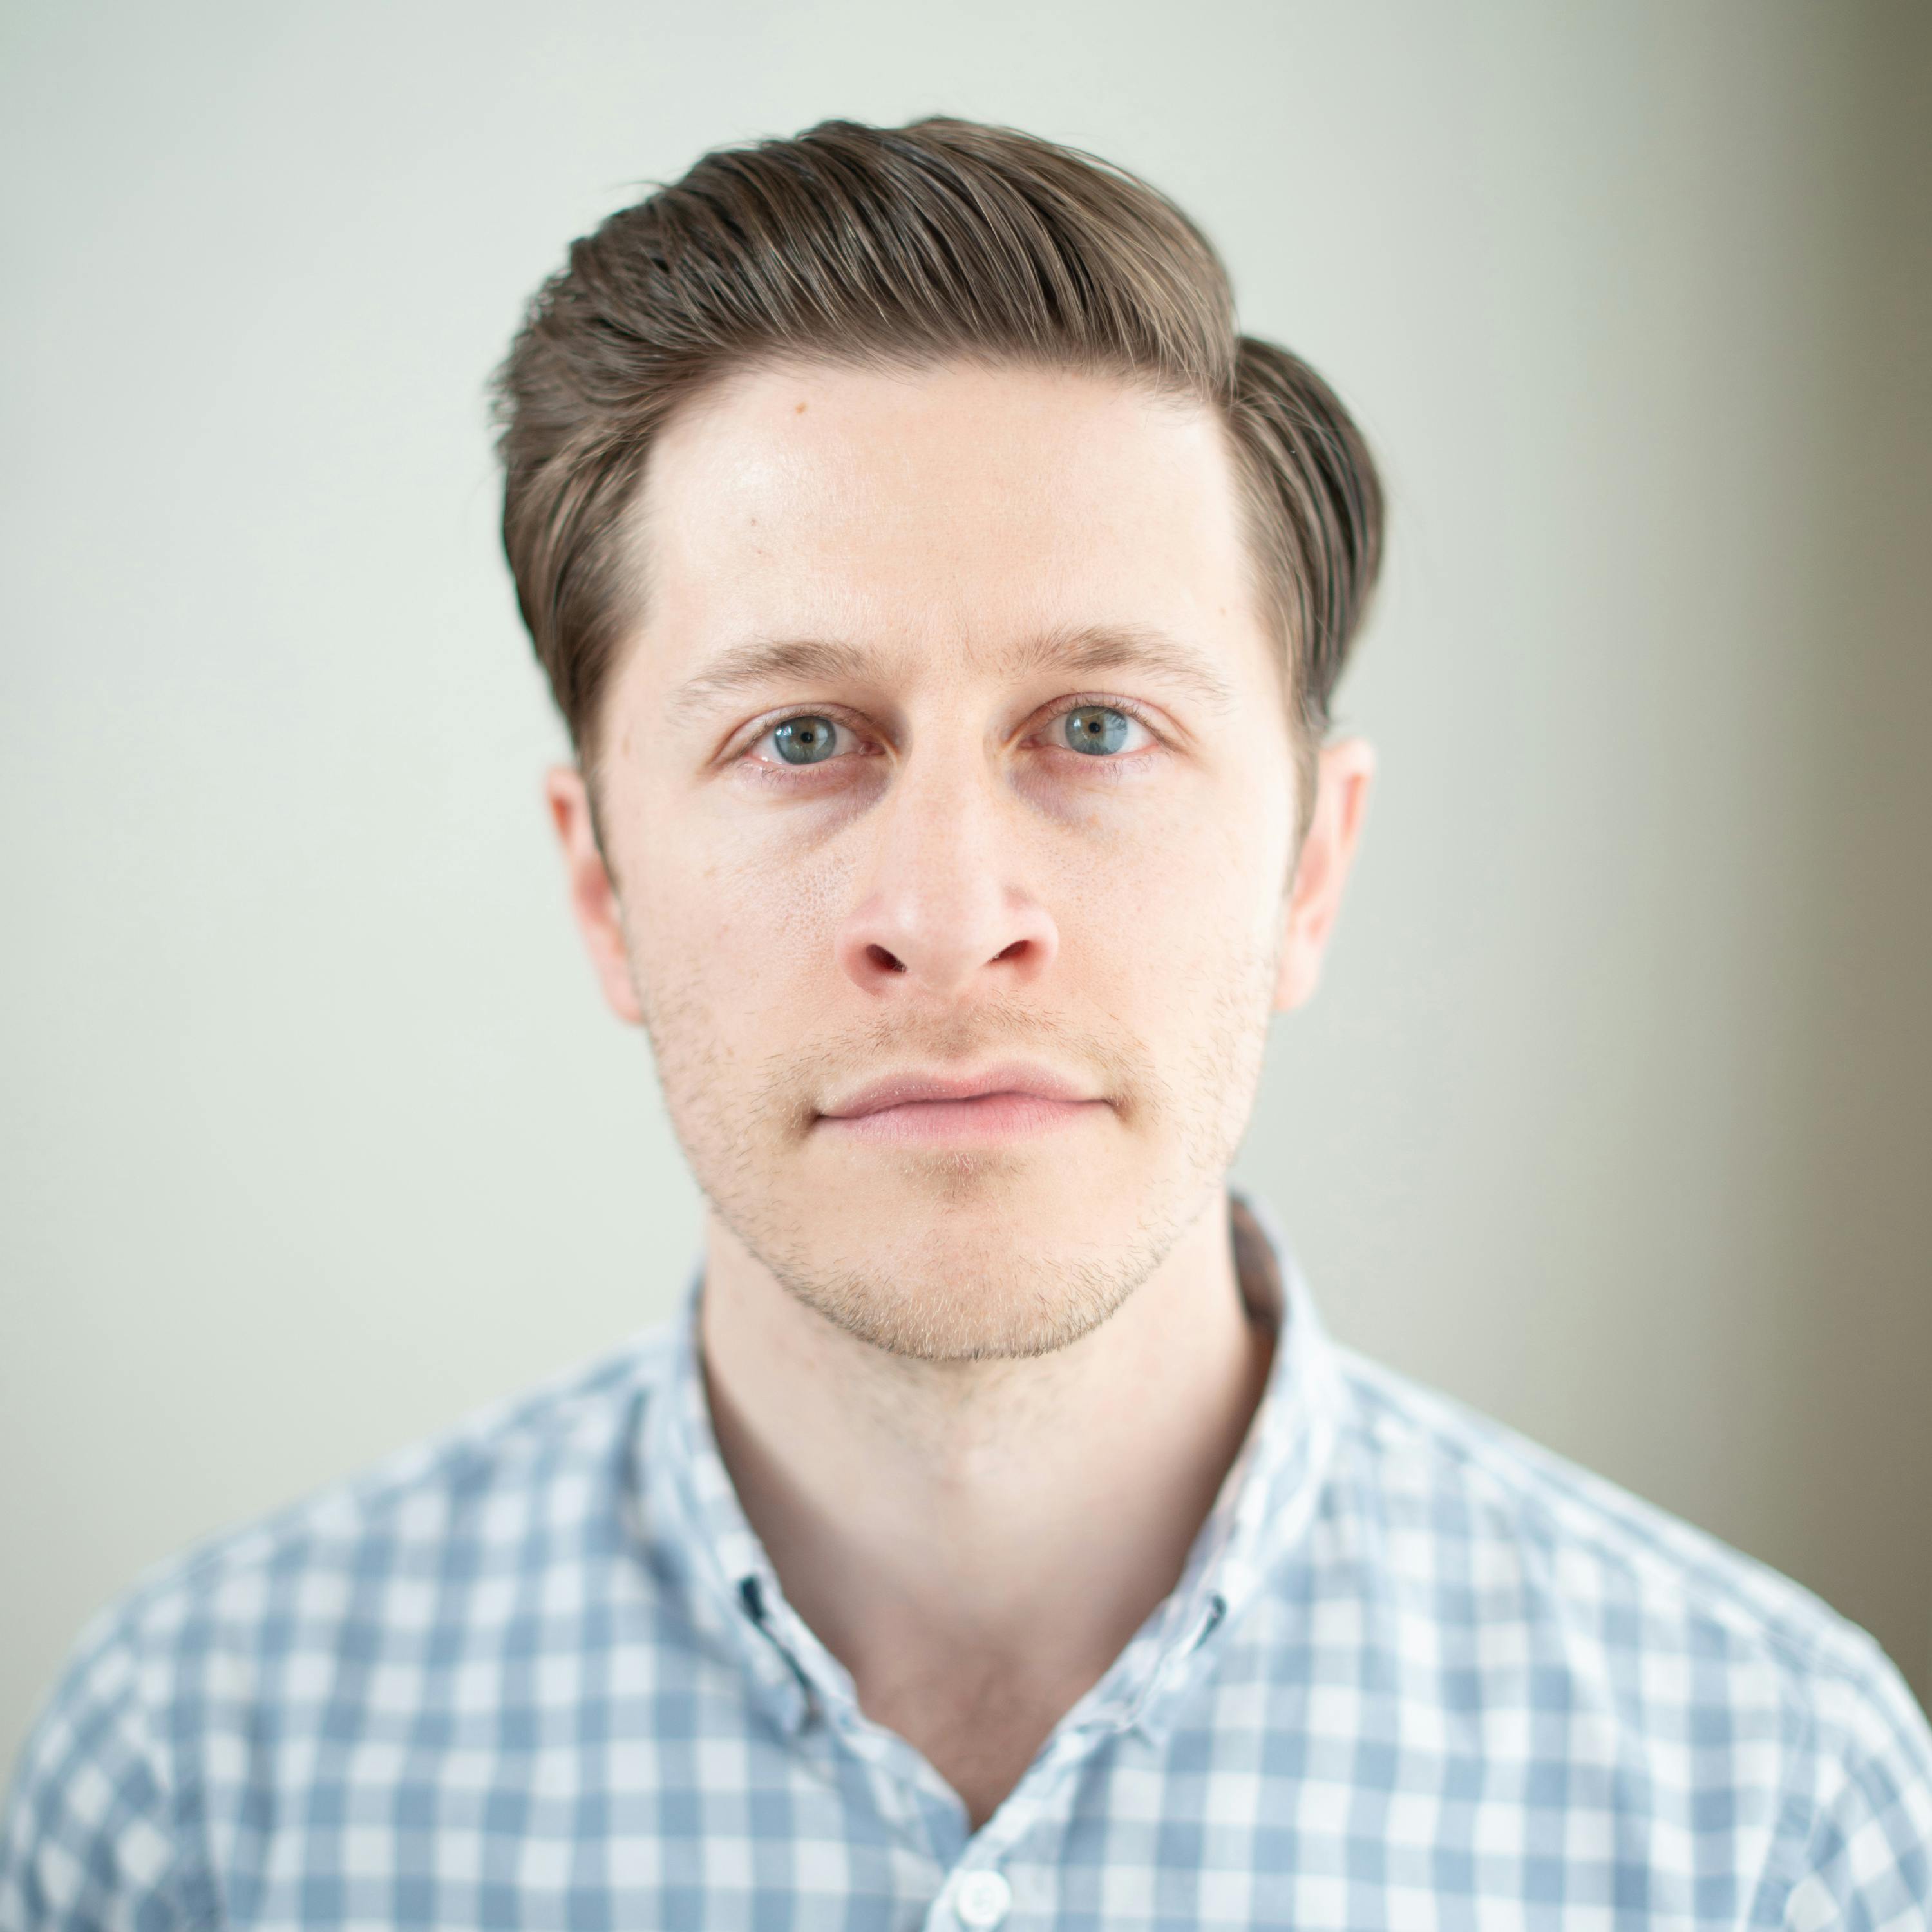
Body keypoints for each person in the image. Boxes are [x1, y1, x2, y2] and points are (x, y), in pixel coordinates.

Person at [4, 113, 1929, 1932]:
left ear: (1310, 873)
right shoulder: (206, 1792)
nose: (949, 922)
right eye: (801, 738)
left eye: (1098, 729)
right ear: (599, 882)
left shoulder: (1763, 1809)